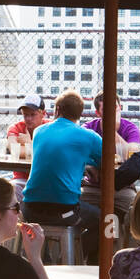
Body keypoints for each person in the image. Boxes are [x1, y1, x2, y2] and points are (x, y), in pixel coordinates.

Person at [20, 90, 103, 263]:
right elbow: (107, 161)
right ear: (80, 114)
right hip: (63, 211)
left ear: (57, 110)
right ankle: (73, 260)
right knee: (105, 220)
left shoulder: (39, 132)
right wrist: (88, 164)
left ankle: (45, 262)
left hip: (28, 209)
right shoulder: (89, 137)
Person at [82, 90, 140, 235]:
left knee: (133, 212)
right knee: (74, 205)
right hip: (92, 186)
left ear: (119, 108)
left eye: (114, 107)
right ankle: (85, 250)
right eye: (105, 109)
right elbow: (78, 154)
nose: (110, 111)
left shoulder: (130, 128)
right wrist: (89, 166)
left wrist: (112, 131)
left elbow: (132, 156)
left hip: (121, 189)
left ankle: (111, 250)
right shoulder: (88, 128)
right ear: (97, 113)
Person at [6, 93, 47, 203]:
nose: (28, 119)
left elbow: (49, 153)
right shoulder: (15, 128)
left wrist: (29, 143)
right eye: (25, 115)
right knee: (10, 190)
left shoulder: (49, 127)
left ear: (43, 114)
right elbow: (14, 150)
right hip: (21, 179)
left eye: (32, 114)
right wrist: (37, 148)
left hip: (43, 178)